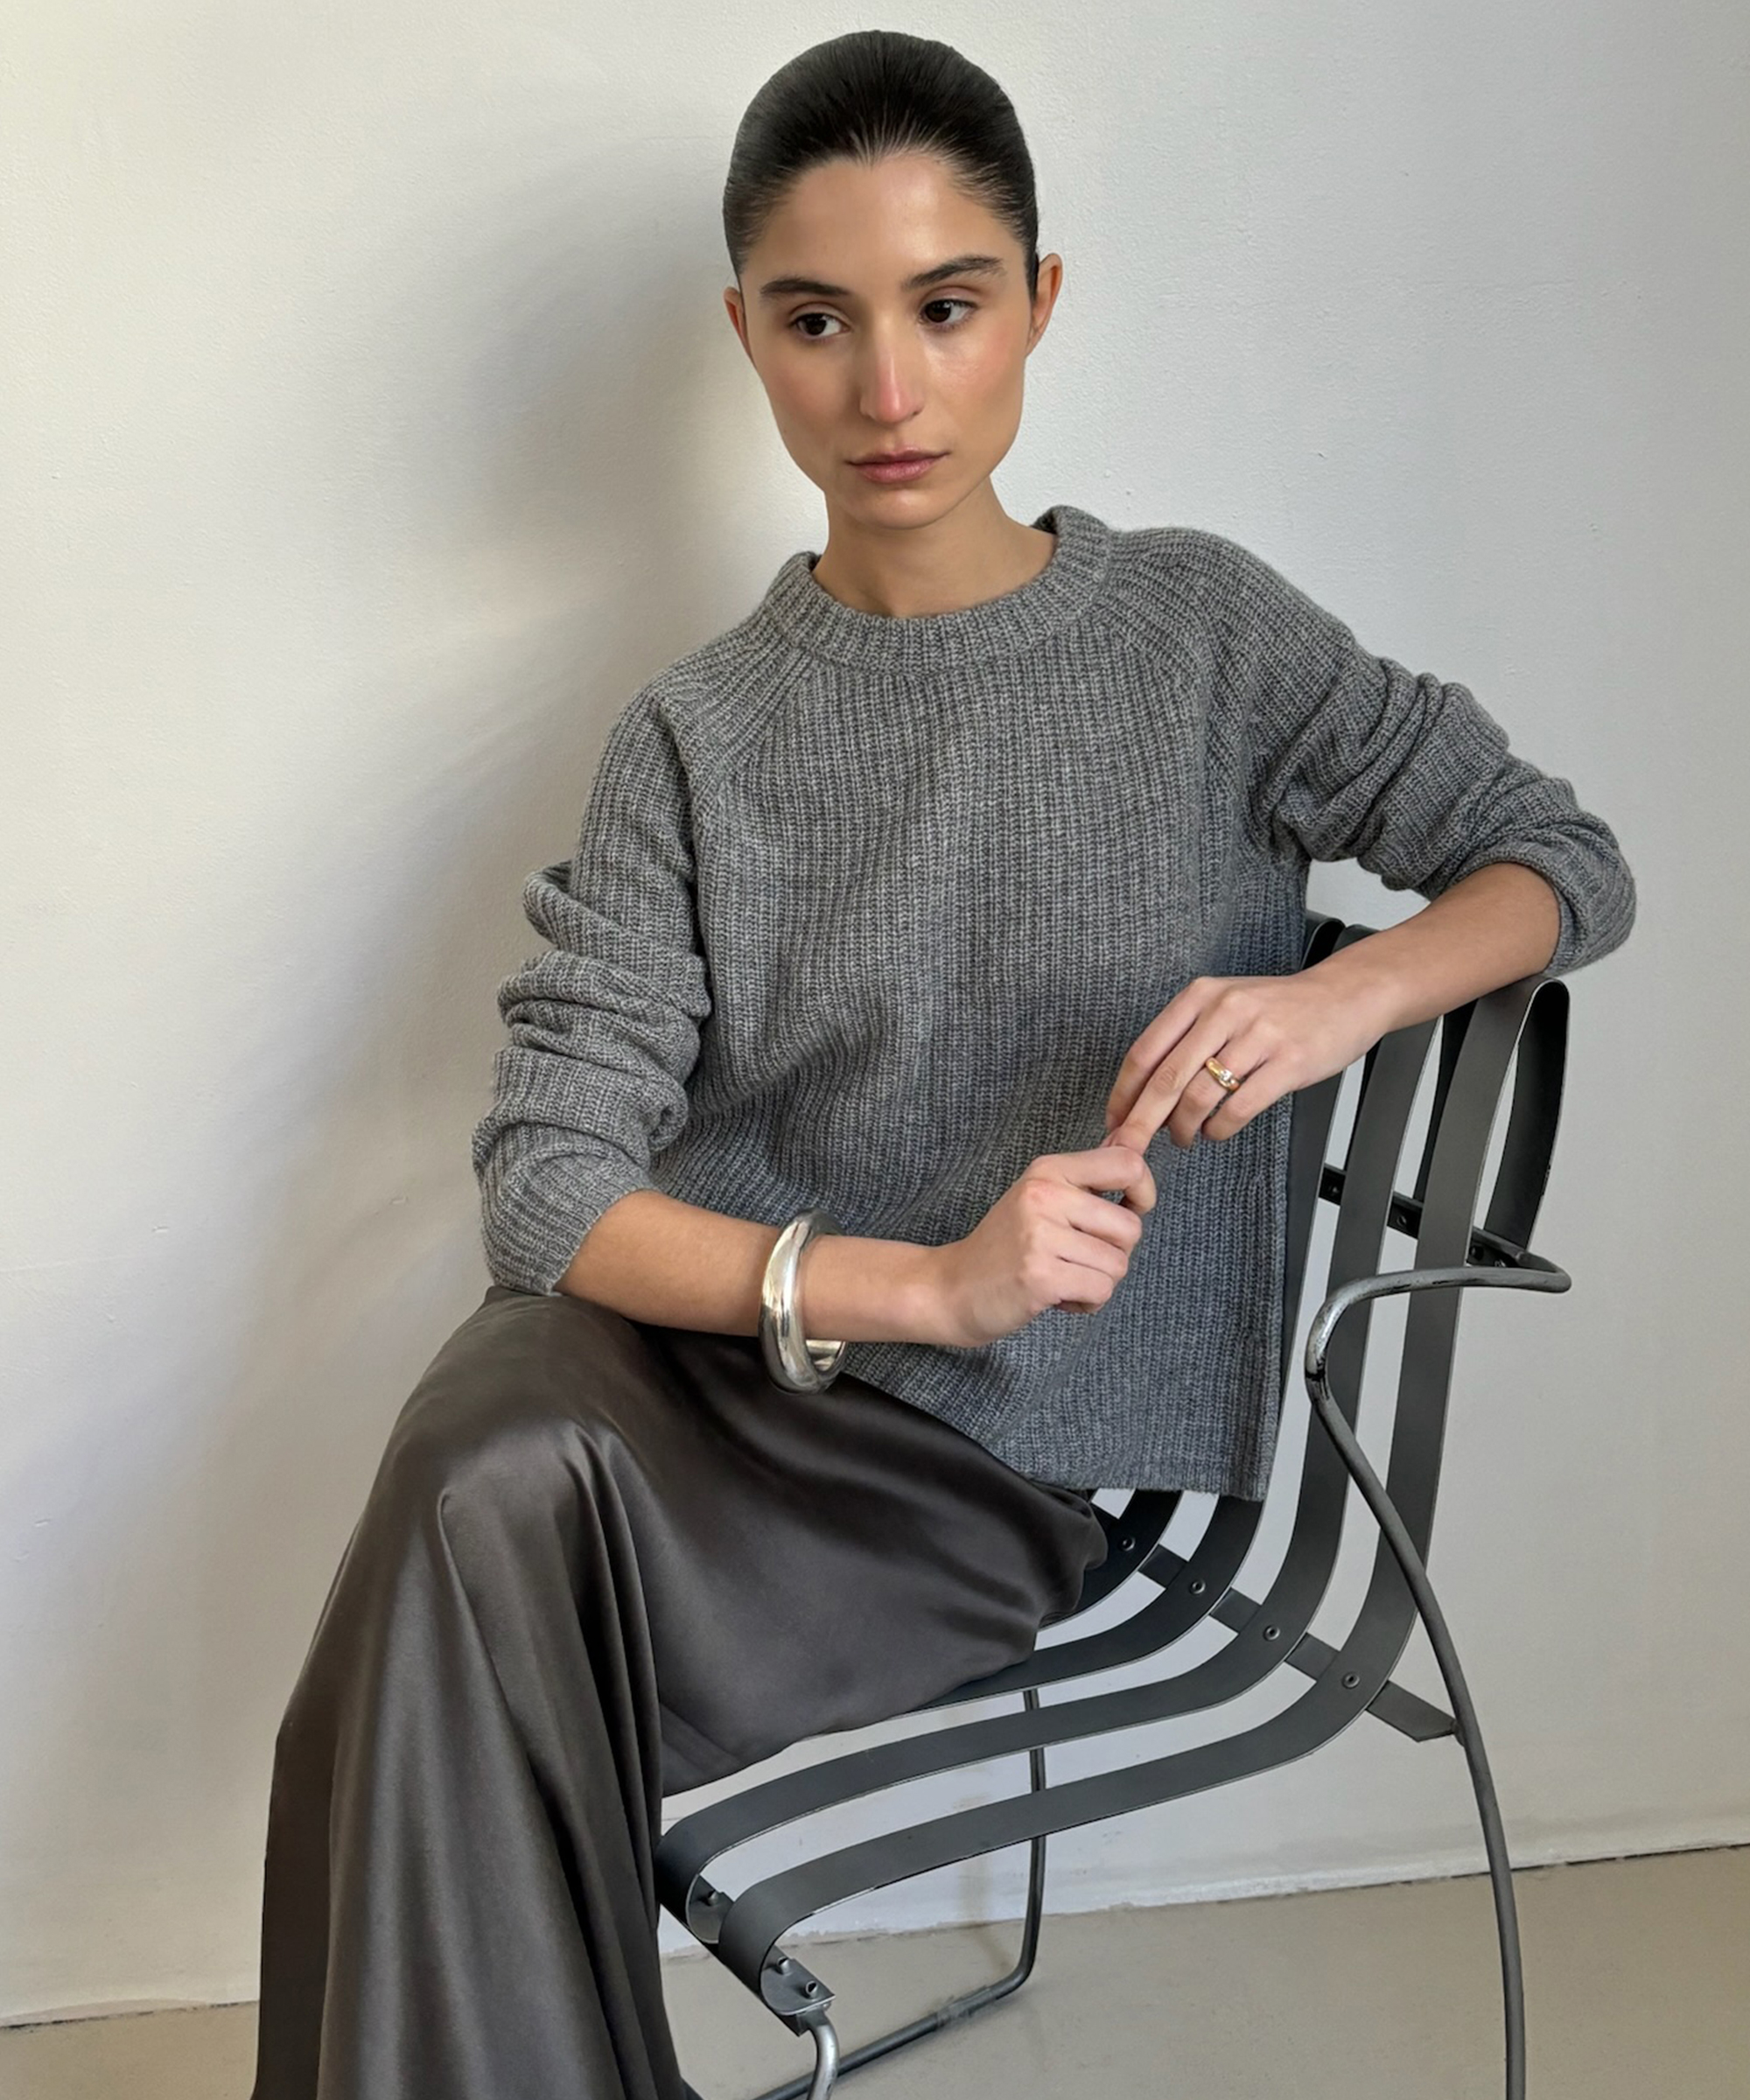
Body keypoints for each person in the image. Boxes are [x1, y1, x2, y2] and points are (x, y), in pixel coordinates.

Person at [247, 29, 1636, 2100]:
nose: (885, 391)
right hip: (707, 1366)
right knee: (483, 1468)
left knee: (462, 1582)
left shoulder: (1200, 638)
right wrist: (913, 1282)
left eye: (944, 307)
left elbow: (1561, 862)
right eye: (817, 322)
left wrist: (1336, 998)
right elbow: (545, 1186)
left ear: (1037, 307)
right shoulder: (696, 733)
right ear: (747, 336)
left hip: (978, 1466)